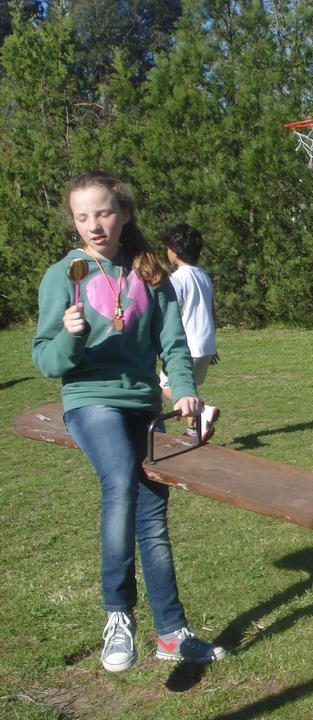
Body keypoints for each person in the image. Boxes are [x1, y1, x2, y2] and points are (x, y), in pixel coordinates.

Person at [32, 171, 226, 672]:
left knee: (151, 519)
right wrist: (70, 335)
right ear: (73, 222)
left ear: (124, 214)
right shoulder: (63, 276)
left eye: (103, 213)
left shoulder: (151, 274)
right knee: (119, 480)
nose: (93, 225)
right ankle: (118, 615)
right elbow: (48, 362)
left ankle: (171, 633)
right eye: (82, 217)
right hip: (89, 399)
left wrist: (184, 389)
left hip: (143, 403)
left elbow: (174, 345)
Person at [158, 223, 219, 441]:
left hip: (186, 345)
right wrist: (213, 344)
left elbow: (173, 315)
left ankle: (203, 409)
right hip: (205, 343)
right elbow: (211, 311)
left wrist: (164, 345)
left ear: (173, 251)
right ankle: (194, 431)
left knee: (163, 385)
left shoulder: (177, 279)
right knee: (188, 388)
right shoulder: (204, 277)